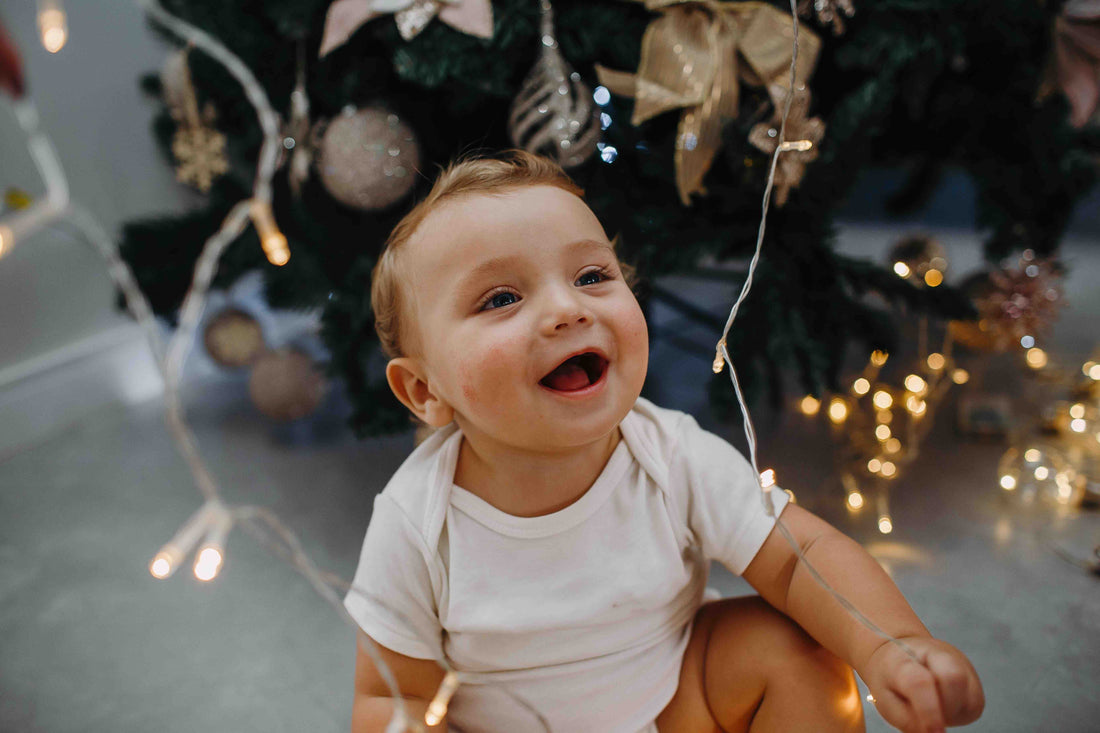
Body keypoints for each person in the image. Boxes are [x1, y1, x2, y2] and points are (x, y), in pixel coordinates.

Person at [345, 150, 984, 733]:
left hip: (677, 705)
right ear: (425, 392)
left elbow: (796, 558)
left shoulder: (669, 454)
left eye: (592, 275)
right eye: (502, 297)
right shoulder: (416, 522)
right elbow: (390, 699)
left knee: (795, 651)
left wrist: (889, 643)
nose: (569, 310)